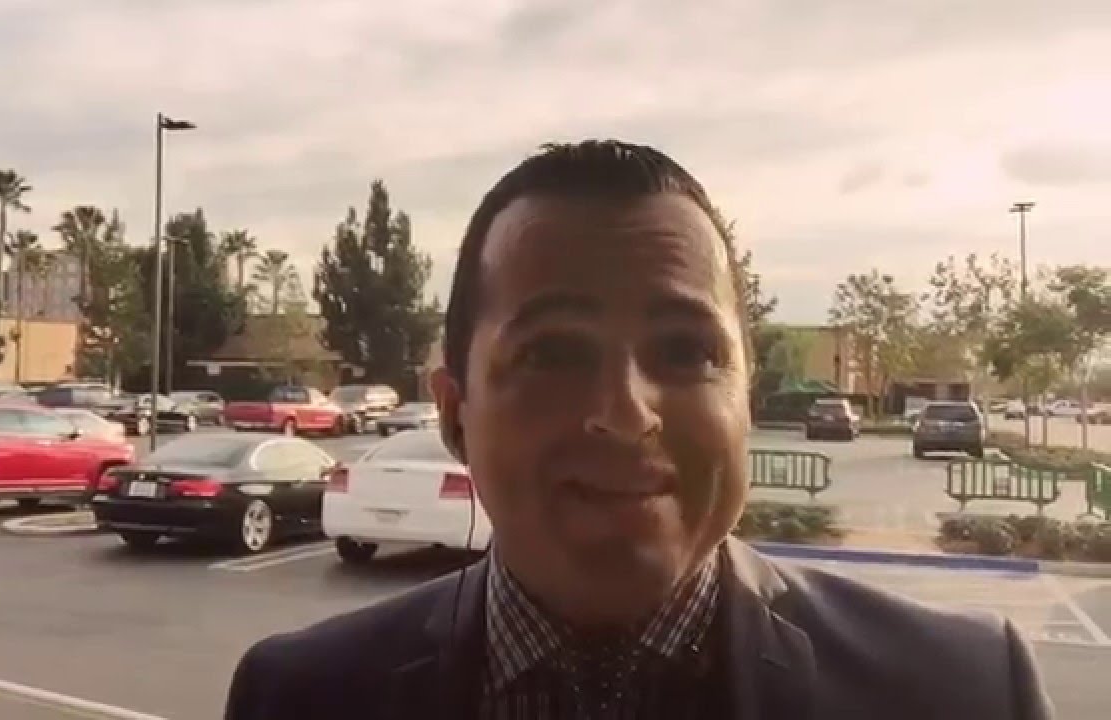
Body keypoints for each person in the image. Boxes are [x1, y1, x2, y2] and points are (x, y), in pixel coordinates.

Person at [224, 140, 1053, 719]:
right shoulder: (298, 698)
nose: (625, 414)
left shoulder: (965, 693)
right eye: (552, 353)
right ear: (453, 413)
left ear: (746, 400)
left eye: (687, 351)